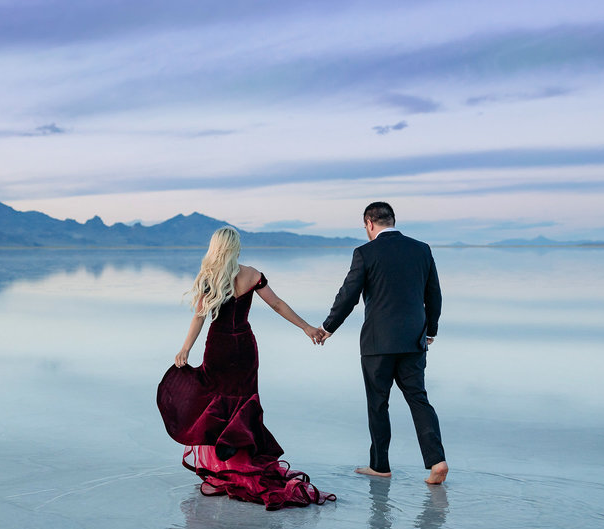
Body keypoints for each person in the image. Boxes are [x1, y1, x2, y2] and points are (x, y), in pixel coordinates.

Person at [157, 226, 336, 510]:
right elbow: (277, 304)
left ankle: (220, 474)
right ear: (235, 247)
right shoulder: (252, 274)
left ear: (215, 247)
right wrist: (306, 327)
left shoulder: (210, 277)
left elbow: (199, 317)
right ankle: (239, 466)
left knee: (217, 404)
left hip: (218, 347)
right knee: (243, 404)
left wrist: (185, 348)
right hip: (244, 347)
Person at [317, 202, 449, 484]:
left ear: (368, 223)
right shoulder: (421, 249)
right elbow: (434, 295)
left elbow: (348, 295)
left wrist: (328, 327)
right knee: (418, 398)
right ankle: (437, 461)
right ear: (393, 220)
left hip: (378, 343)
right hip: (414, 340)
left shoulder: (365, 253)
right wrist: (431, 330)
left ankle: (380, 465)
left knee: (378, 403)